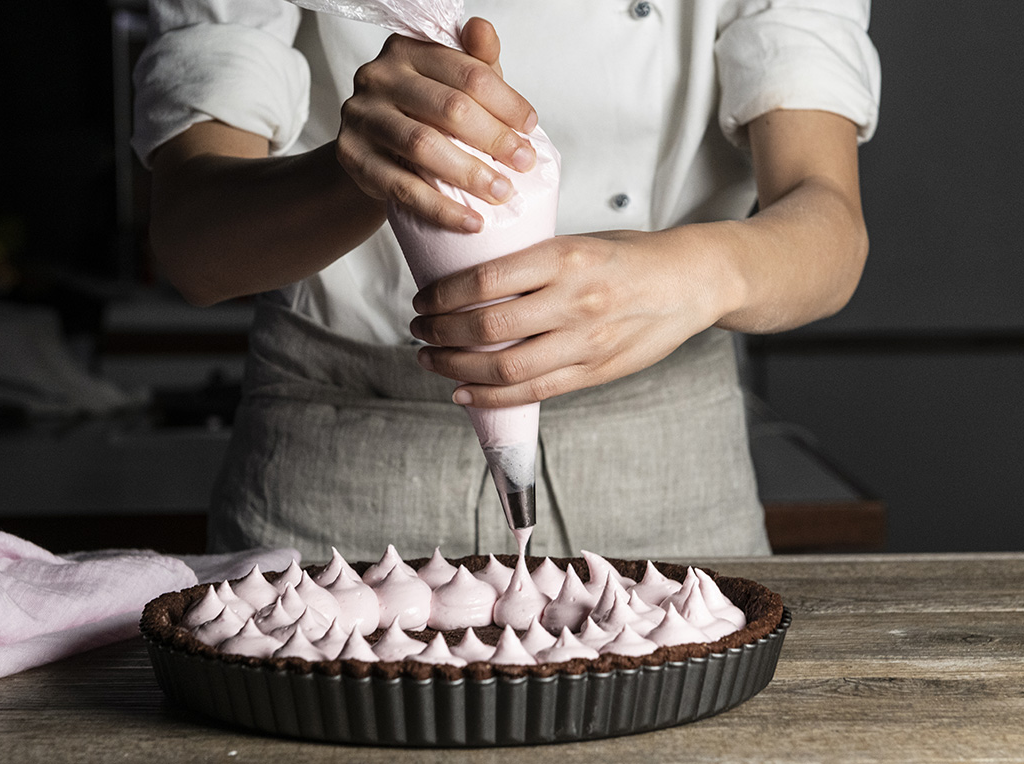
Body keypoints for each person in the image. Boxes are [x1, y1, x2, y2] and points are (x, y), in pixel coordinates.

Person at [131, 0, 881, 563]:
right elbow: (194, 251)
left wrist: (695, 273)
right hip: (336, 480)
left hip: (667, 476)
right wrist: (362, 168)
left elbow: (829, 228)